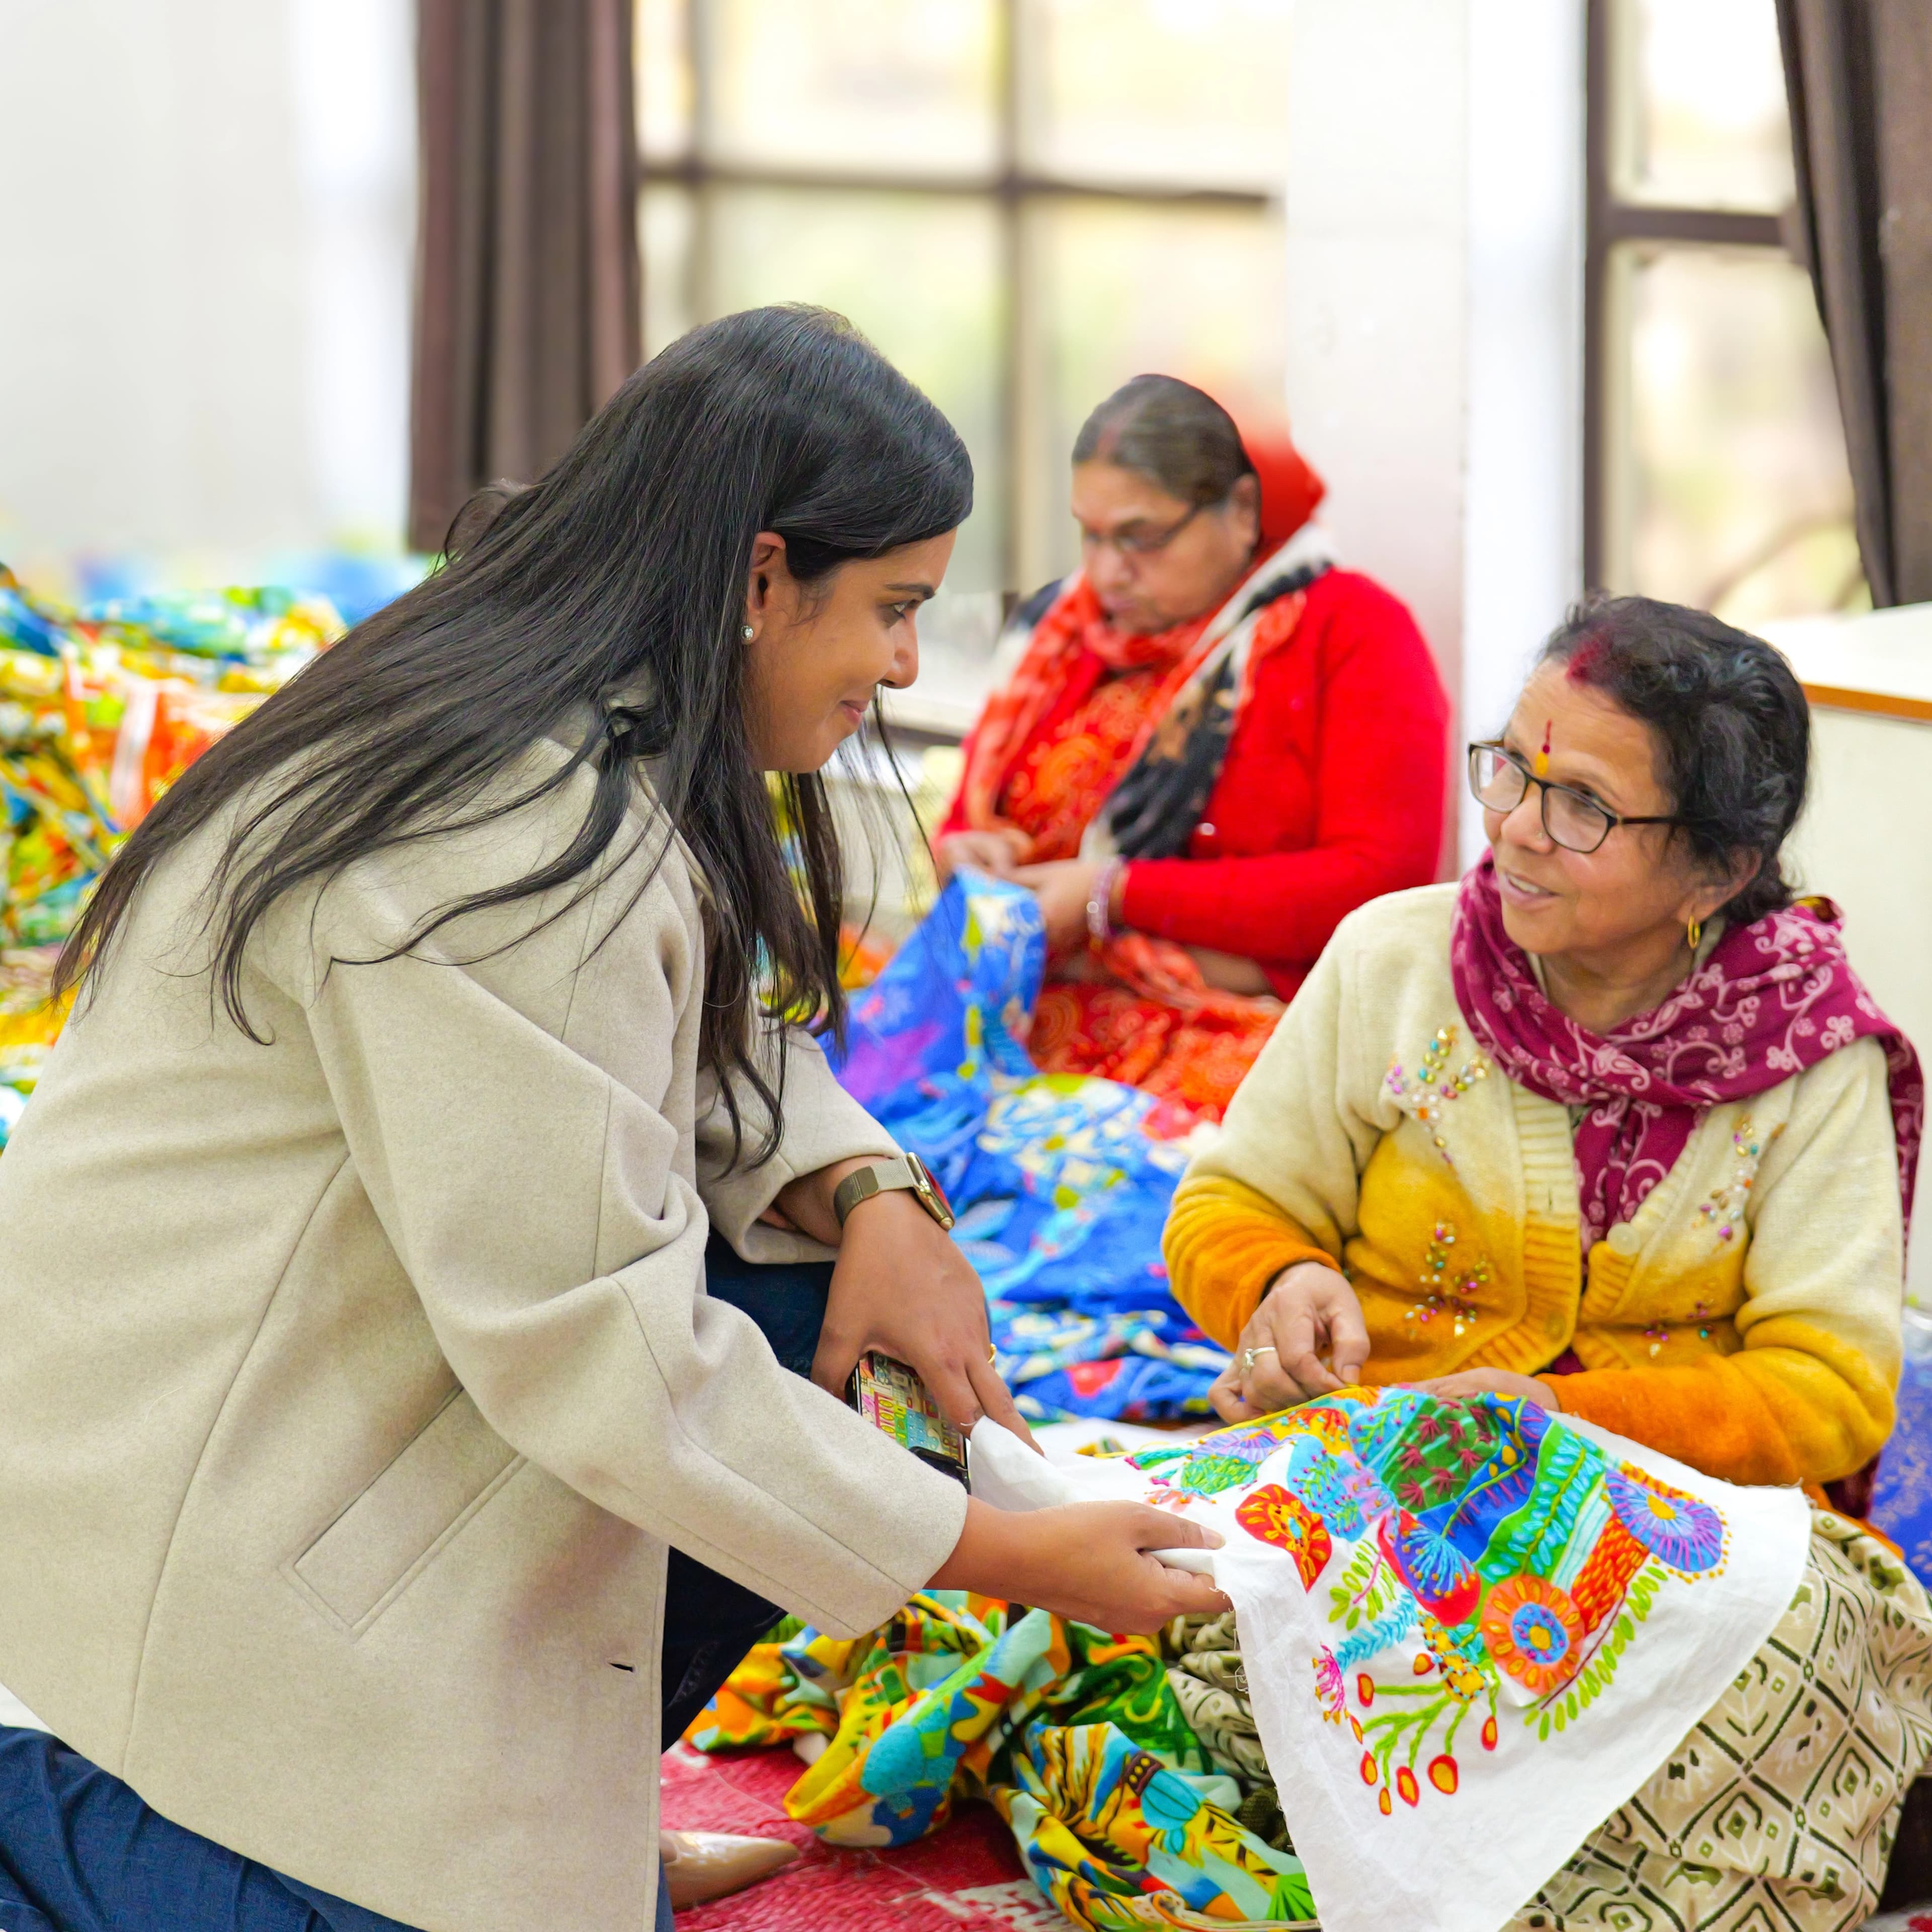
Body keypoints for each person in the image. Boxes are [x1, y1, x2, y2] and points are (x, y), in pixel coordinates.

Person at [0, 307, 1229, 1932]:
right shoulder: (506, 826)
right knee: (746, 1352)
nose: (902, 668)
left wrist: (877, 1190)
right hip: (160, 1621)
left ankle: (561, 1809)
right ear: (762, 578)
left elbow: (689, 1044)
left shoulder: (550, 722)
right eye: (895, 610)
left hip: (221, 1468)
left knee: (800, 1287)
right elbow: (600, 1354)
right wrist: (1004, 1550)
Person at [1162, 594, 1931, 1924]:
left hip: (1678, 1546)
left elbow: (1834, 1388)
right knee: (1162, 1630)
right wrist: (1281, 1285)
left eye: (1581, 805)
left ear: (1714, 873)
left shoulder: (1810, 1060)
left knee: (1768, 1699)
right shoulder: (1396, 962)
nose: (1514, 826)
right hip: (1373, 1494)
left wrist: (1557, 1425)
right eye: (1511, 768)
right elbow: (1230, 1202)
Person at [933, 374, 1448, 1122]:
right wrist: (962, 849)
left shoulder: (1349, 632)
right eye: (1091, 534)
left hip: (1230, 1037)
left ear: (1240, 510)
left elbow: (1379, 886)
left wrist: (1114, 895)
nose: (1107, 570)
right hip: (1014, 1019)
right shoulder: (1060, 633)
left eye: (1142, 538)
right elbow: (971, 811)